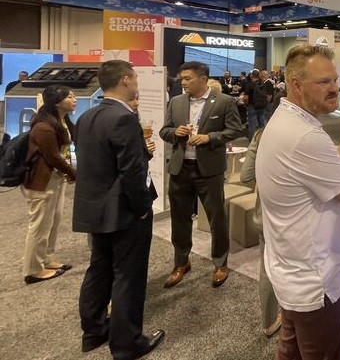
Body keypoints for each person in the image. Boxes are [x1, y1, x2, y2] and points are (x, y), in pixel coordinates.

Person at [256, 44, 340, 360]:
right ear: (296, 85)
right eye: (323, 82)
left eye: (335, 80)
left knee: (292, 350)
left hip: (293, 272)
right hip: (316, 281)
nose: (334, 88)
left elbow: (332, 168)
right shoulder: (304, 137)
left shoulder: (288, 120)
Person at [73, 60, 164, 358]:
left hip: (94, 208)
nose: (137, 82)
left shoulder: (87, 116)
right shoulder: (123, 118)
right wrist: (142, 207)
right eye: (135, 77)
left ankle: (93, 331)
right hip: (124, 211)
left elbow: (100, 162)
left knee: (99, 269)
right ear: (126, 80)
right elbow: (131, 172)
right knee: (128, 275)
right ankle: (127, 344)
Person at [159, 61, 244, 289]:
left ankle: (220, 263)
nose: (183, 82)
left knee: (217, 218)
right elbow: (164, 131)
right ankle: (181, 262)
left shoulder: (224, 101)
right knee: (180, 219)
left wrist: (210, 137)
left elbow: (236, 129)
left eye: (187, 78)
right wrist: (175, 132)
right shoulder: (176, 102)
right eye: (182, 79)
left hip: (209, 171)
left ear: (203, 79)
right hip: (180, 169)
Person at [21, 85, 77, 284]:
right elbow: (53, 157)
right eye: (70, 97)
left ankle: (45, 259)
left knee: (53, 221)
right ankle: (33, 270)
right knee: (40, 225)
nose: (74, 100)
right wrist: (74, 173)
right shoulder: (43, 126)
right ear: (57, 101)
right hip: (41, 183)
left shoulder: (63, 121)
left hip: (56, 179)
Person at [240, 128, 282, 338]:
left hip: (265, 216)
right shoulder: (305, 134)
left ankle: (268, 322)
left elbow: (246, 176)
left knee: (267, 270)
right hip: (297, 219)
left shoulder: (260, 134)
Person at [244, 69, 275, 137]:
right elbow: (267, 95)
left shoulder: (249, 85)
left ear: (251, 75)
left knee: (253, 124)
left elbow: (246, 98)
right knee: (261, 123)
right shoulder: (262, 84)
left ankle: (252, 139)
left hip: (252, 106)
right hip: (261, 106)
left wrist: (245, 104)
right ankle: (261, 138)